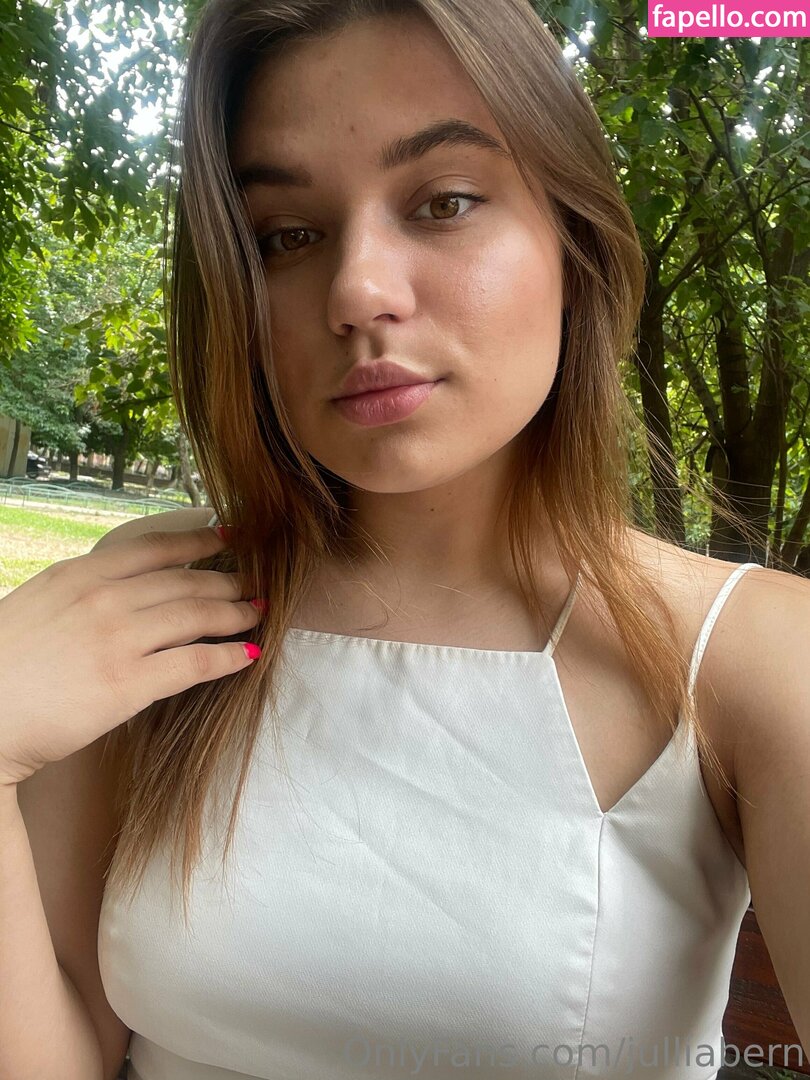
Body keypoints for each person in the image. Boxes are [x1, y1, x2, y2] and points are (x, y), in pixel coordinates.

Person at [1, 1, 808, 1079]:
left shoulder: (752, 658)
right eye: (287, 236)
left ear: (574, 243)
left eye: (443, 203)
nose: (357, 292)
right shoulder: (149, 606)